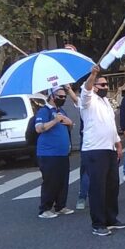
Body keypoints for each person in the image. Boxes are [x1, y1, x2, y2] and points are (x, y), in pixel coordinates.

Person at [79, 66, 125, 236]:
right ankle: (98, 223)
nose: (106, 86)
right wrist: (92, 74)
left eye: (107, 84)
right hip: (94, 150)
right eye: (102, 84)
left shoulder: (106, 102)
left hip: (109, 149)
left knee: (112, 186)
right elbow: (87, 89)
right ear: (94, 86)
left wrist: (118, 144)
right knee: (98, 188)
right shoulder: (86, 100)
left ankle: (111, 219)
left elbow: (111, 126)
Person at [35, 87, 75, 219]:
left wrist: (70, 123)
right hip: (48, 153)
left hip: (62, 153)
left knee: (62, 180)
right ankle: (45, 208)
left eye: (64, 97)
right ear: (52, 96)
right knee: (50, 181)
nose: (63, 99)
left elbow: (67, 124)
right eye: (60, 96)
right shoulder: (44, 111)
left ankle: (60, 205)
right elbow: (39, 128)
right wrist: (55, 121)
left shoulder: (61, 110)